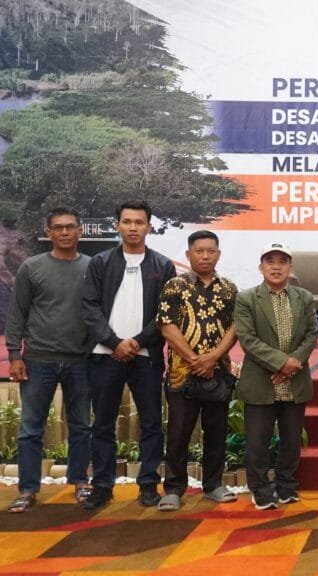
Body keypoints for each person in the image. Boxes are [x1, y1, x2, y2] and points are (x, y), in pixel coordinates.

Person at [81, 200, 176, 510]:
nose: (133, 227)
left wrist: (136, 341)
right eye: (127, 221)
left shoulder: (163, 266)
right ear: (117, 225)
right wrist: (114, 342)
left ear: (149, 226)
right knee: (102, 424)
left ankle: (148, 485)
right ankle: (102, 486)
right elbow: (89, 307)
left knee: (151, 424)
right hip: (104, 355)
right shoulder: (100, 262)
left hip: (146, 358)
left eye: (139, 222)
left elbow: (166, 313)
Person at [5, 208, 92, 513]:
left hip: (81, 361)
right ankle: (28, 489)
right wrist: (14, 354)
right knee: (31, 428)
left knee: (81, 426)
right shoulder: (32, 267)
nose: (64, 232)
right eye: (58, 227)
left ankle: (80, 482)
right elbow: (17, 313)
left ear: (80, 231)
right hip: (38, 359)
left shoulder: (93, 267)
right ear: (48, 232)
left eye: (70, 227)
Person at [155, 230, 238, 511]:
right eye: (199, 251)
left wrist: (212, 358)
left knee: (216, 432)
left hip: (218, 372)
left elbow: (236, 327)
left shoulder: (229, 288)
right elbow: (167, 326)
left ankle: (213, 485)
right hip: (182, 374)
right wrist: (195, 360)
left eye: (210, 251)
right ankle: (174, 488)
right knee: (178, 433)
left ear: (218, 254)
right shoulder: (174, 286)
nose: (205, 256)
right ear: (188, 254)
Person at [234, 243, 318, 510]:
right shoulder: (247, 298)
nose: (276, 266)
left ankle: (286, 486)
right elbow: (247, 339)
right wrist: (282, 363)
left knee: (291, 440)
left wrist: (293, 364)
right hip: (261, 380)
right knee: (257, 441)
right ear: (261, 267)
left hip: (295, 380)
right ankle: (260, 489)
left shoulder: (304, 297)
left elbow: (312, 334)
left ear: (290, 267)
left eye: (282, 261)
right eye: (270, 261)